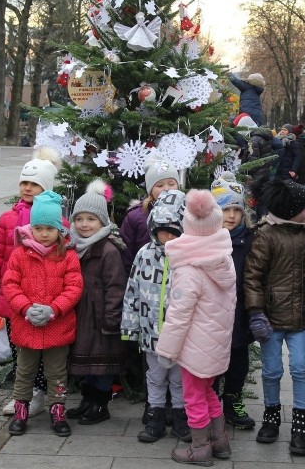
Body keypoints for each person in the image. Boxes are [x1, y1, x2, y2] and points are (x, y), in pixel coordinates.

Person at [157, 189, 237, 465]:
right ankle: (220, 441)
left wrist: (167, 350)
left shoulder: (189, 268)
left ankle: (200, 448)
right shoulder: (224, 261)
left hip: (195, 348)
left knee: (193, 397)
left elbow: (179, 315)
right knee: (208, 391)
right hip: (215, 346)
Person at [0, 148, 60, 416]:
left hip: (45, 297)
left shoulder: (54, 220)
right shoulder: (7, 218)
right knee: (19, 348)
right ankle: (25, 395)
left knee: (44, 349)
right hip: (15, 297)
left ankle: (44, 393)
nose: (27, 188)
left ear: (45, 187)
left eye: (34, 184)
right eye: (24, 183)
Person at [244, 179, 305, 454]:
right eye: (304, 206)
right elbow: (253, 277)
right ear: (290, 210)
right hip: (271, 319)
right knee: (272, 370)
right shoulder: (266, 235)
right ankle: (271, 417)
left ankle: (300, 421)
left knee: (301, 368)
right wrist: (256, 312)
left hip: (303, 317)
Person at [2, 191, 84, 437]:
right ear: (31, 228)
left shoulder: (67, 256)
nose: (44, 233)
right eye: (38, 228)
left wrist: (53, 309)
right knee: (24, 371)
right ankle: (21, 409)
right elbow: (10, 285)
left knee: (56, 372)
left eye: (49, 228)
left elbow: (74, 287)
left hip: (57, 325)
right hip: (26, 325)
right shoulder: (20, 254)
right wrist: (26, 308)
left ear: (59, 230)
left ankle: (57, 410)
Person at [121, 189, 191, 443]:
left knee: (179, 379)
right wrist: (130, 327)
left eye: (174, 230)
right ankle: (155, 417)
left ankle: (181, 418)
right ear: (153, 227)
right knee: (155, 376)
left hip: (180, 335)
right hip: (151, 334)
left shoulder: (188, 257)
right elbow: (132, 292)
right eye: (163, 230)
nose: (168, 236)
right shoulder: (144, 255)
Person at [66, 180, 128, 425]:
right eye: (79, 219)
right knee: (86, 361)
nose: (84, 224)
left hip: (102, 318)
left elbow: (116, 287)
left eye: (91, 219)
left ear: (102, 222)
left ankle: (100, 404)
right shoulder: (73, 246)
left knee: (102, 362)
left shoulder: (108, 250)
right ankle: (87, 400)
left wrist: (112, 318)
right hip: (82, 315)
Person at [210, 172, 256, 430]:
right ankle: (212, 403)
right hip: (212, 315)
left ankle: (233, 401)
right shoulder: (206, 240)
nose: (231, 215)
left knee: (238, 362)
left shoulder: (248, 241)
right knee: (212, 364)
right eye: (225, 209)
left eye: (236, 209)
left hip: (239, 313)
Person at [120, 154, 181, 273]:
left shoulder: (187, 214)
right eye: (159, 185)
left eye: (171, 183)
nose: (166, 189)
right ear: (150, 190)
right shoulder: (136, 216)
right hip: (144, 278)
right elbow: (126, 255)